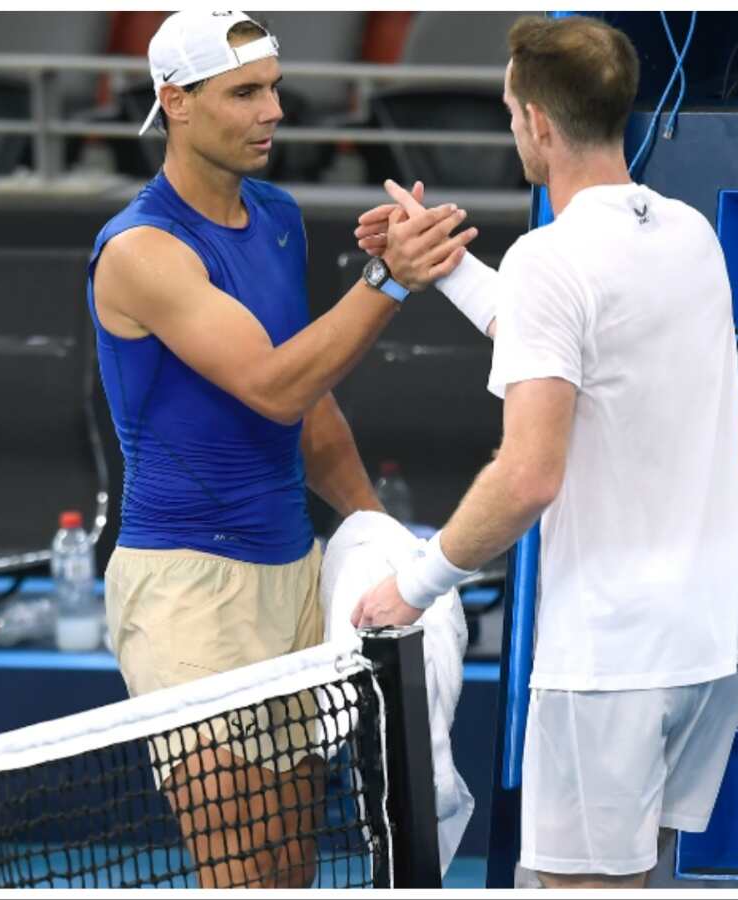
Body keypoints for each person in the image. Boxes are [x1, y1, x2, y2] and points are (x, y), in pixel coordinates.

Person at [351, 15, 738, 890]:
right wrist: (447, 265)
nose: (511, 129)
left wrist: (412, 588)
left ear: (538, 121)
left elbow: (529, 476)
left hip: (615, 659)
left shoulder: (552, 258)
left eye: (509, 112)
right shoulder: (688, 234)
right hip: (718, 637)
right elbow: (556, 337)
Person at [87, 10, 476, 888]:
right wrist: (387, 282)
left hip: (294, 578)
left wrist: (381, 542)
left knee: (287, 869)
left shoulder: (279, 216)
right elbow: (271, 384)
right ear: (175, 103)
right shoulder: (141, 251)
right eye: (244, 93)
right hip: (186, 592)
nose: (272, 112)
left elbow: (309, 403)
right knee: (241, 878)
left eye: (273, 89)